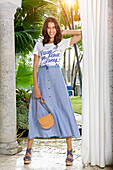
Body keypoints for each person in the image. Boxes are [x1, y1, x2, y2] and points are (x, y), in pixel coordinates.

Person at [23, 16, 82, 166]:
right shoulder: (39, 45)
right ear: (45, 29)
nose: (51, 31)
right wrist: (36, 87)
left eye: (53, 27)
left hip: (57, 81)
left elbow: (81, 33)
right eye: (48, 28)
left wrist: (64, 30)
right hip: (42, 80)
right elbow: (34, 68)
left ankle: (69, 150)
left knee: (65, 111)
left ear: (56, 29)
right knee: (37, 112)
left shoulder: (61, 43)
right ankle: (29, 150)